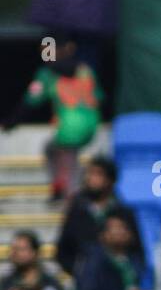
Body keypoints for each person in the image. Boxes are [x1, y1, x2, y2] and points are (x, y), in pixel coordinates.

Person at [7, 37, 101, 207]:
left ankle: (70, 197)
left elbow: (31, 101)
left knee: (66, 159)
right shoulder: (85, 69)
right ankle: (64, 191)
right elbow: (100, 97)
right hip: (91, 124)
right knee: (56, 150)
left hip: (69, 126)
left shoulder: (48, 72)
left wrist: (11, 122)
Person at [57, 156, 141, 278]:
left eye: (97, 174)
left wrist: (130, 274)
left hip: (118, 283)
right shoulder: (76, 212)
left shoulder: (123, 213)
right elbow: (63, 250)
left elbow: (137, 252)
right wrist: (79, 270)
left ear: (110, 180)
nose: (90, 178)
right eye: (89, 173)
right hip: (87, 285)